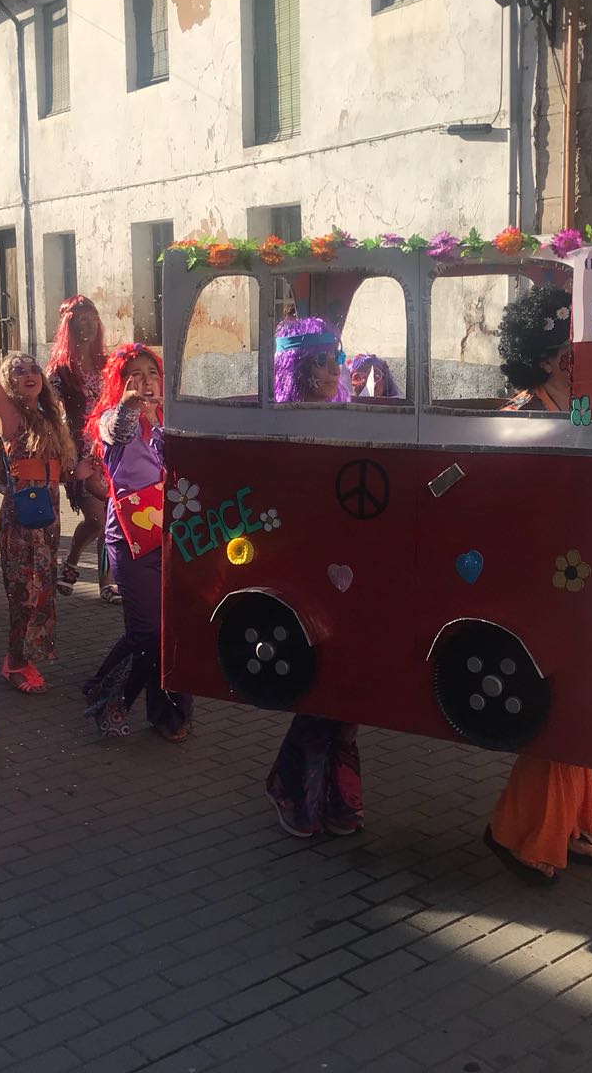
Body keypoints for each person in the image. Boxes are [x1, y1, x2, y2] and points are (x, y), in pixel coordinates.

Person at [483, 284, 592, 886]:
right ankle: (519, 833)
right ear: (538, 356)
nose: (576, 356)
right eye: (564, 348)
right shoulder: (521, 414)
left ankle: (568, 822)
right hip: (531, 579)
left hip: (573, 572)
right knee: (555, 706)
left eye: (579, 345)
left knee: (579, 698)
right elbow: (504, 505)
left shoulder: (578, 407)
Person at [265, 317, 363, 837]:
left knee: (351, 681)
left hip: (351, 561)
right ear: (296, 367)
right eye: (320, 362)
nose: (331, 371)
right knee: (325, 682)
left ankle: (332, 791)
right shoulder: (280, 423)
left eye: (336, 360)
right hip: (305, 562)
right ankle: (292, 785)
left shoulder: (348, 413)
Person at [77, 342, 191, 741]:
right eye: (135, 375)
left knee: (174, 628)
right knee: (148, 633)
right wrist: (129, 407)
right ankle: (112, 702)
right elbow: (117, 429)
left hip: (178, 535)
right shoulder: (113, 418)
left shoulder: (174, 418)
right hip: (130, 540)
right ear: (121, 383)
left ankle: (170, 713)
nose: (145, 382)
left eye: (152, 373)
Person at [0, 304, 74, 693]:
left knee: (42, 591)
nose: (28, 375)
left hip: (49, 517)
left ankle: (23, 658)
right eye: (17, 371)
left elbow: (65, 472)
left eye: (32, 369)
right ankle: (14, 662)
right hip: (23, 518)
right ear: (8, 385)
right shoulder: (10, 417)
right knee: (24, 593)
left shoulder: (52, 421)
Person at [46, 295, 108, 597]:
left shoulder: (108, 365)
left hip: (111, 449)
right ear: (69, 327)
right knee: (97, 520)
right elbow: (45, 409)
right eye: (81, 320)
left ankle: (107, 582)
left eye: (92, 318)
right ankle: (71, 562)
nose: (88, 325)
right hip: (80, 454)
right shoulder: (60, 372)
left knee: (113, 519)